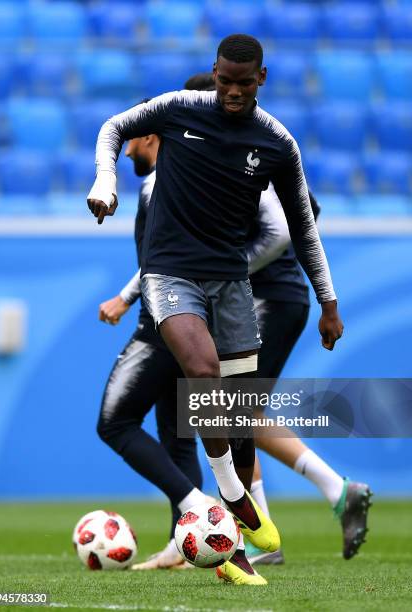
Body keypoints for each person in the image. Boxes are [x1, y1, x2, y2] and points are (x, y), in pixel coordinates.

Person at [88, 34, 344, 586]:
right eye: (224, 80)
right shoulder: (178, 109)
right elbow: (113, 128)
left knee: (232, 411)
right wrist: (105, 181)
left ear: (262, 79)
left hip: (230, 280)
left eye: (243, 83)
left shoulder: (276, 142)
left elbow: (301, 227)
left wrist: (328, 301)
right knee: (200, 377)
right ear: (215, 72)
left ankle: (235, 545)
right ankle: (234, 500)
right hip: (170, 274)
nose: (231, 91)